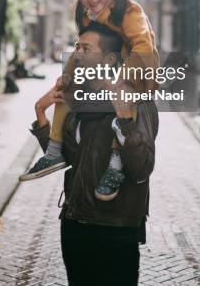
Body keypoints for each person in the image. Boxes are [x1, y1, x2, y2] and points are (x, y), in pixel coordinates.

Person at [29, 23, 158, 286]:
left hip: (116, 226)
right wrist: (41, 115)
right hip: (75, 220)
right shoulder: (80, 98)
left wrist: (124, 120)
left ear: (109, 58)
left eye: (85, 48)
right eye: (76, 46)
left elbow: (141, 168)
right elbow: (67, 157)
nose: (76, 53)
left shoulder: (138, 101)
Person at [20, 0, 159, 201]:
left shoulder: (130, 12)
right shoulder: (88, 16)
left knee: (125, 99)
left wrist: (122, 76)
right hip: (113, 64)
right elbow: (80, 47)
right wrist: (67, 74)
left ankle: (115, 167)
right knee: (67, 89)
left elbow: (143, 47)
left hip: (138, 65)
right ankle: (53, 151)